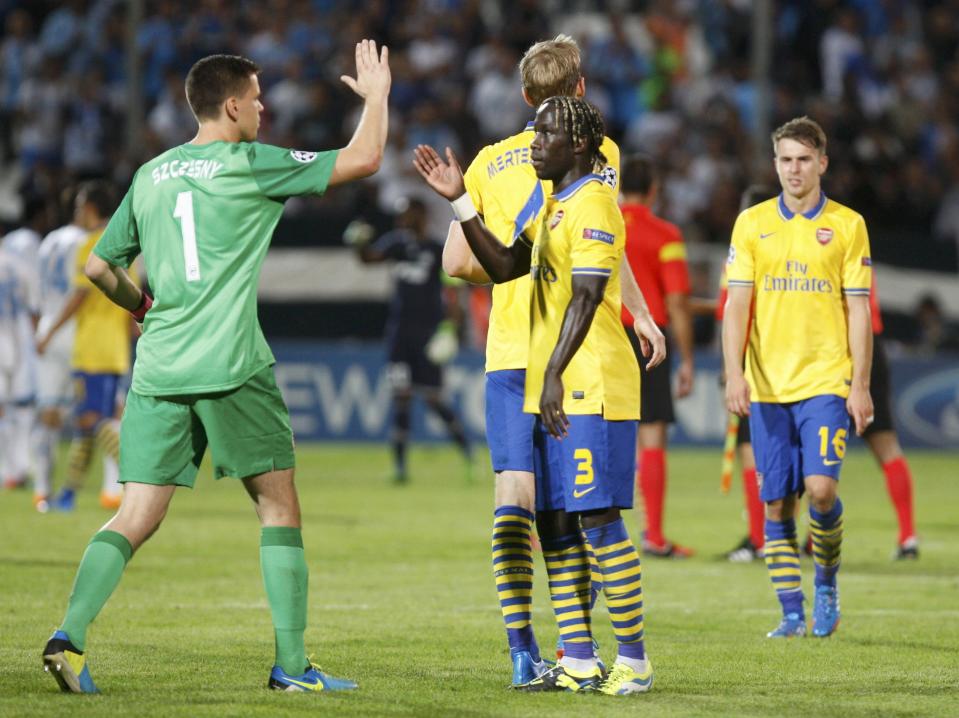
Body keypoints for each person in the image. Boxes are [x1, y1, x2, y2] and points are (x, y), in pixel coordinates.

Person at [41, 42, 390, 694]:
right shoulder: (250, 163)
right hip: (230, 364)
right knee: (278, 508)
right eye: (256, 99)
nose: (263, 108)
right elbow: (364, 158)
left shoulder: (150, 174)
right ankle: (291, 667)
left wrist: (143, 304)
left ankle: (71, 636)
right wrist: (375, 97)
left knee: (135, 514)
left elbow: (97, 268)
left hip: (160, 368)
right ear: (232, 106)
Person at [415, 96, 660, 696]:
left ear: (578, 145)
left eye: (545, 133)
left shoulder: (597, 201)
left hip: (594, 382)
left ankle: (635, 660)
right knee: (554, 522)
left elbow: (587, 295)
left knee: (598, 520)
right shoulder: (549, 204)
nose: (533, 141)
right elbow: (500, 266)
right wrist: (460, 200)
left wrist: (550, 373)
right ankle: (577, 659)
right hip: (557, 383)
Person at [723, 116, 873, 639]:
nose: (793, 169)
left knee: (821, 489)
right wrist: (733, 373)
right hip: (766, 386)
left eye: (804, 159)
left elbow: (858, 310)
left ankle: (826, 582)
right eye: (785, 159)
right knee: (777, 501)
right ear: (775, 164)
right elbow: (736, 305)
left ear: (822, 164)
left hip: (826, 381)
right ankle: (791, 611)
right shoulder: (752, 224)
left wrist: (859, 384)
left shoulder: (849, 226)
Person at [345, 197, 473, 483]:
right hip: (399, 336)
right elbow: (369, 259)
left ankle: (467, 452)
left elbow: (454, 291)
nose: (401, 218)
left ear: (421, 215)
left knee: (433, 399)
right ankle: (400, 468)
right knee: (400, 397)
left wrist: (451, 329)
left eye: (407, 213)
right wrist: (358, 243)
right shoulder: (396, 244)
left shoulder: (437, 249)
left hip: (427, 336)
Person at [36, 181, 130, 512]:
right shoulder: (123, 244)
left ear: (90, 208)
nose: (77, 213)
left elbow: (80, 296)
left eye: (79, 206)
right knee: (86, 426)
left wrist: (50, 332)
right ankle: (67, 494)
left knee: (93, 419)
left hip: (90, 347)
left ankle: (139, 477)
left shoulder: (89, 244)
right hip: (115, 348)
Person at [619, 154, 695, 558]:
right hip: (647, 338)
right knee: (651, 437)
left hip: (604, 334)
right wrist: (686, 360)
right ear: (653, 190)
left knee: (590, 431)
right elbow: (678, 301)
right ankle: (654, 535)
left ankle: (557, 526)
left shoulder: (600, 222)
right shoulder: (665, 234)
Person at [32, 188, 88, 511]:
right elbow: (81, 292)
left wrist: (43, 331)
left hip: (47, 331)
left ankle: (42, 490)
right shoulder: (85, 242)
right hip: (74, 333)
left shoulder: (49, 241)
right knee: (104, 411)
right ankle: (113, 489)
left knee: (48, 415)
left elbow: (39, 292)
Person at [0, 195, 45, 490]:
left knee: (4, 409)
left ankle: (8, 471)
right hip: (20, 340)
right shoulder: (19, 265)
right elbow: (34, 310)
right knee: (23, 408)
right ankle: (21, 467)